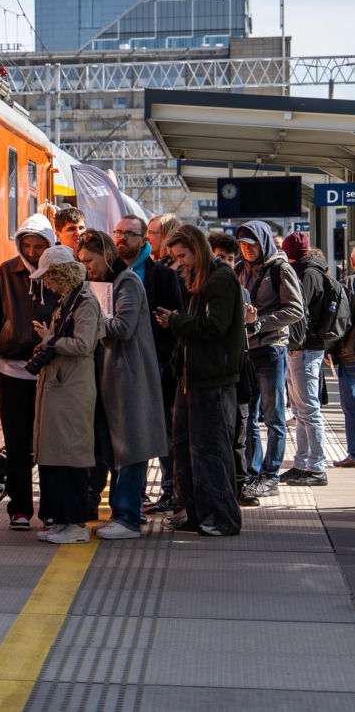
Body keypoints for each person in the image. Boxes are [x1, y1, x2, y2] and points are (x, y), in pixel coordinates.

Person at [76, 230, 168, 539]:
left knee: (130, 447)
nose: (87, 267)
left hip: (129, 378)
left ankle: (127, 516)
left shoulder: (126, 282)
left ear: (105, 254)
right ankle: (122, 513)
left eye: (89, 260)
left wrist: (89, 322)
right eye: (82, 262)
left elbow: (124, 327)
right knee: (116, 448)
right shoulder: (107, 283)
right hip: (113, 378)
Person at [155, 225, 245, 536]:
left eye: (182, 255)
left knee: (210, 451)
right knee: (185, 449)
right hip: (193, 376)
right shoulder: (203, 276)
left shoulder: (220, 278)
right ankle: (196, 512)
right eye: (176, 257)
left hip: (212, 378)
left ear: (196, 249)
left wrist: (175, 321)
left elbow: (215, 326)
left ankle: (222, 517)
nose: (180, 262)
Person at [0, 214, 59, 530]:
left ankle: (51, 507)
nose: (32, 252)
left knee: (51, 443)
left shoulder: (58, 273)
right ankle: (21, 508)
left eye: (39, 246)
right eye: (27, 245)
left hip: (51, 371)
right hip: (13, 370)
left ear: (50, 245)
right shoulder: (6, 272)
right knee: (16, 442)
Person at [30, 245, 104, 544]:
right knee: (56, 455)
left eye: (48, 277)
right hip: (62, 387)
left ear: (61, 273)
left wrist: (51, 341)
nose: (45, 283)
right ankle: (60, 520)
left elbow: (85, 345)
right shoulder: (69, 301)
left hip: (71, 388)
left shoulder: (84, 302)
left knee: (70, 456)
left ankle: (74, 524)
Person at [114, 215, 184, 514]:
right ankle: (134, 494)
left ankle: (169, 490)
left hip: (154, 368)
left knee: (160, 432)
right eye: (118, 232)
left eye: (129, 234)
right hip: (116, 370)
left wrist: (159, 359)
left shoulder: (163, 276)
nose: (121, 238)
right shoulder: (108, 273)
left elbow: (175, 323)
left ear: (144, 239)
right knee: (122, 433)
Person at [235, 220, 304, 499]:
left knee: (274, 416)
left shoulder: (280, 269)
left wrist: (259, 322)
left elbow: (295, 309)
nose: (247, 249)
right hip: (247, 349)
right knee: (248, 416)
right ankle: (252, 472)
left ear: (262, 242)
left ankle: (271, 474)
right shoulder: (240, 269)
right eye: (242, 245)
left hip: (272, 348)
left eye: (251, 244)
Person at [209, 231, 257, 505]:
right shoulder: (204, 286)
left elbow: (247, 332)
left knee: (240, 429)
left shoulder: (242, 291)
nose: (226, 262)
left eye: (230, 258)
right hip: (217, 370)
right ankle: (222, 487)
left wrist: (250, 321)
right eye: (220, 257)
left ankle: (240, 485)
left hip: (240, 367)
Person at [281, 232, 330, 486]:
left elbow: (300, 311)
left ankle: (316, 467)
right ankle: (301, 463)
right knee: (301, 411)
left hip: (305, 348)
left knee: (309, 410)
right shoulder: (308, 270)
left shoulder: (307, 274)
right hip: (301, 348)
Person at [332, 246, 355, 469]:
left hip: (350, 353)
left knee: (350, 406)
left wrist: (331, 348)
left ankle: (354, 453)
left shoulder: (347, 284)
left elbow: (340, 320)